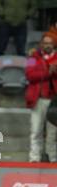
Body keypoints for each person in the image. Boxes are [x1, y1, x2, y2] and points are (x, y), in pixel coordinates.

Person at [26, 34, 57, 162]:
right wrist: (47, 72)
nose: (47, 45)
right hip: (38, 99)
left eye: (50, 43)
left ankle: (53, 158)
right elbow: (29, 75)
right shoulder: (32, 57)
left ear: (54, 45)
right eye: (45, 43)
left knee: (53, 133)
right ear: (41, 44)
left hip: (54, 101)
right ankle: (34, 158)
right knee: (36, 130)